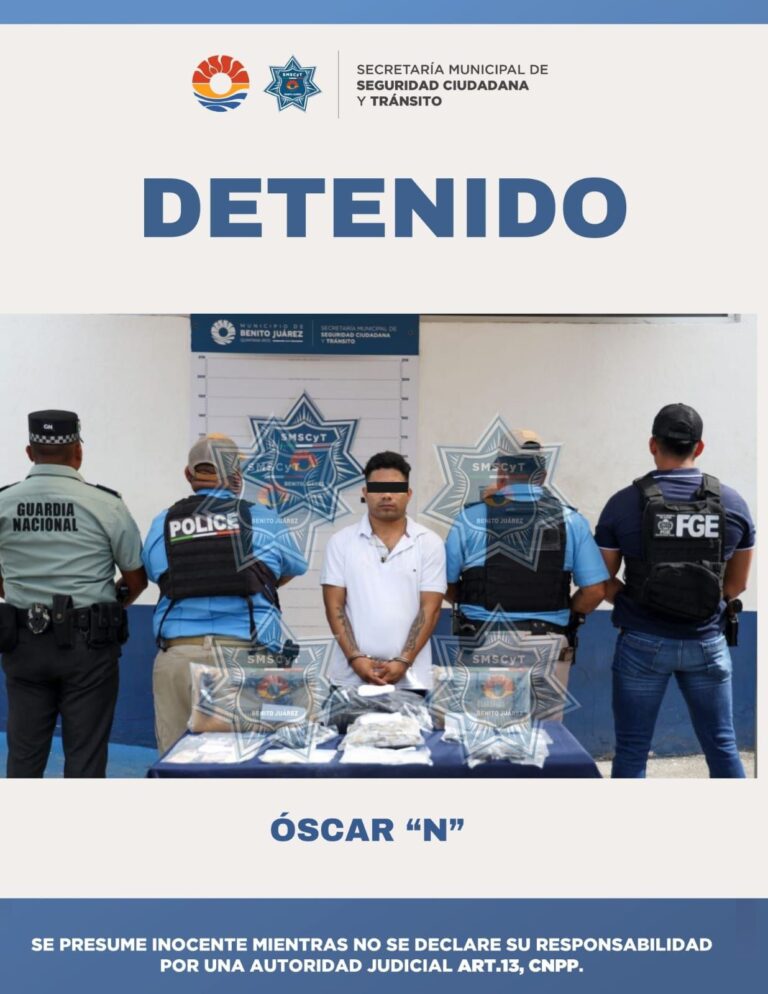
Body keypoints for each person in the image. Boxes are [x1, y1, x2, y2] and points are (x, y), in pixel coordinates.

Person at [595, 403, 755, 778]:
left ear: (653, 444)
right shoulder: (732, 503)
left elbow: (601, 581)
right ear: (699, 447)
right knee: (722, 745)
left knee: (632, 749)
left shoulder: (623, 503)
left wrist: (632, 601)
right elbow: (737, 585)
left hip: (642, 643)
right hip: (707, 642)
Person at [0, 410, 146, 777]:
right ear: (78, 452)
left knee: (24, 754)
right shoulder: (106, 504)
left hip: (24, 643)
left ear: (30, 452)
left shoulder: (4, 502)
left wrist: (14, 589)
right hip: (90, 646)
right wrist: (110, 603)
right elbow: (136, 578)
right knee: (86, 756)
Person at [143, 434, 308, 753]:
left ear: (189, 474)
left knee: (175, 762)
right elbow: (292, 567)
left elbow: (155, 573)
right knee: (247, 761)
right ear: (236, 476)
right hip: (247, 657)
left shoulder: (164, 522)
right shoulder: (263, 518)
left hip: (180, 657)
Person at [445, 430, 608, 716]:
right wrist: (567, 613)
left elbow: (444, 585)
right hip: (547, 644)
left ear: (501, 472)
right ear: (542, 475)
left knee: (485, 734)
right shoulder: (571, 520)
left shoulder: (470, 518)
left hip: (485, 641)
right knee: (546, 737)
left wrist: (472, 598)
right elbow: (595, 591)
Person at [321, 451, 446, 692]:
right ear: (365, 493)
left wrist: (403, 661)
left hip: (411, 679)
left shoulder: (429, 542)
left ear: (408, 494)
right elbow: (334, 606)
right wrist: (356, 659)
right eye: (378, 488)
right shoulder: (341, 542)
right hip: (349, 678)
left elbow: (430, 609)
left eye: (395, 489)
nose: (387, 495)